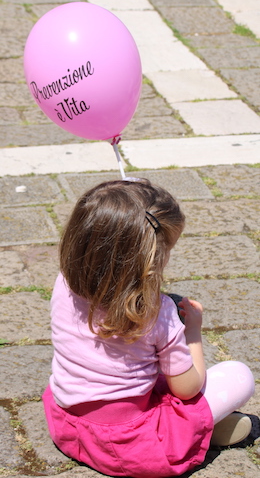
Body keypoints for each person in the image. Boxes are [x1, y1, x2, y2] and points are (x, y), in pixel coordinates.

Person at [43, 179, 255, 478]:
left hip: (68, 424)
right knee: (239, 375)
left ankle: (208, 431)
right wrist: (192, 331)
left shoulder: (64, 281)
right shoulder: (158, 313)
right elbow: (188, 388)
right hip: (131, 443)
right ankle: (200, 432)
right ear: (150, 261)